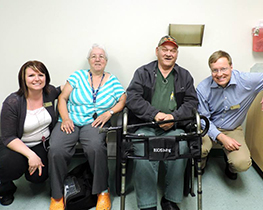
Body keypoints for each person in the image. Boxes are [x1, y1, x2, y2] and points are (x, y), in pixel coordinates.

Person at [48, 43, 126, 210]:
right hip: (70, 120)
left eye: (101, 56)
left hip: (94, 122)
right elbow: (62, 98)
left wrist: (109, 113)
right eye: (93, 56)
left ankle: (103, 192)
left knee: (96, 147)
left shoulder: (112, 81)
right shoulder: (78, 76)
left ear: (106, 61)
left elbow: (123, 99)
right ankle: (57, 196)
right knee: (56, 149)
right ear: (89, 60)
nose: (97, 59)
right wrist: (66, 118)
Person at [126, 35, 198, 210]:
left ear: (176, 54)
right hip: (145, 126)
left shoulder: (184, 75)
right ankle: (147, 203)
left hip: (174, 127)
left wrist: (174, 118)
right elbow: (132, 98)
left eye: (172, 51)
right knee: (144, 153)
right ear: (157, 51)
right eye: (164, 49)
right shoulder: (142, 73)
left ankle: (170, 200)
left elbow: (191, 102)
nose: (168, 54)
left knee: (181, 149)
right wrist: (155, 115)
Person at [196, 50, 263, 180]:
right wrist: (221, 137)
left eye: (223, 69)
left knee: (242, 164)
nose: (219, 74)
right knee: (199, 149)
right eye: (215, 70)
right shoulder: (203, 88)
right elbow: (203, 119)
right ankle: (201, 165)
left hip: (232, 128)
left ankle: (230, 166)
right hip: (208, 127)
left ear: (231, 67)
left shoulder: (246, 80)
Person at [0, 61, 61, 206]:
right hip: (17, 145)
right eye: (31, 75)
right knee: (10, 167)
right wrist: (31, 155)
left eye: (41, 74)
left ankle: (30, 167)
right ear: (23, 79)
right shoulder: (13, 102)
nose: (37, 79)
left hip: (40, 144)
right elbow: (7, 137)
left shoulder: (49, 93)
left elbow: (64, 89)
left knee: (38, 177)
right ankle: (5, 187)